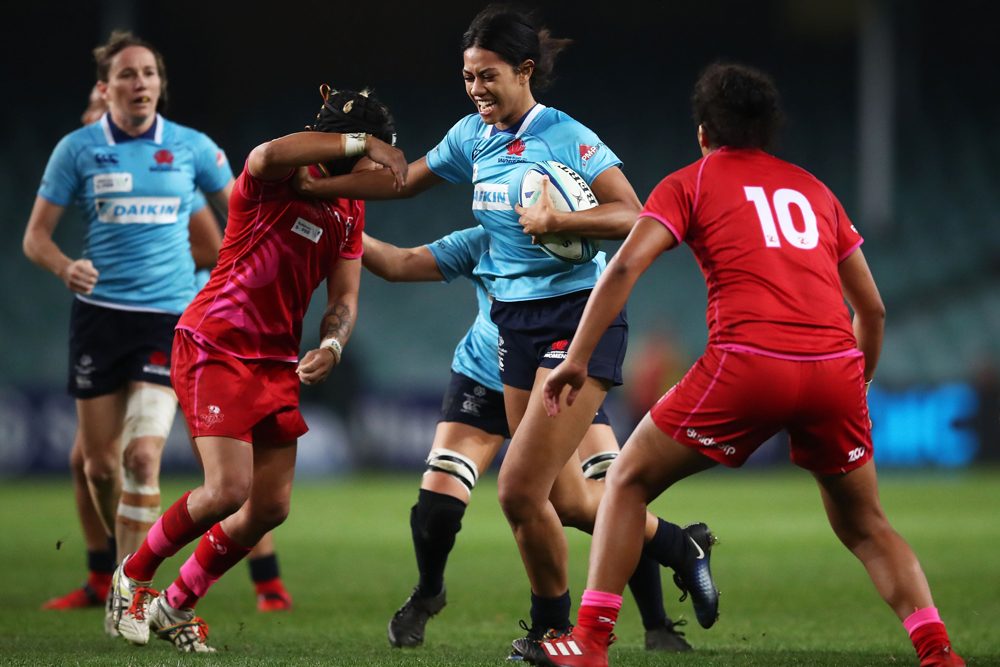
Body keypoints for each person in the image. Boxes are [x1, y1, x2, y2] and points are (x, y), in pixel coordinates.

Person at [291, 6, 718, 654]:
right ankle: (672, 545)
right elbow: (403, 182)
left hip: (577, 314)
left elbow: (636, 212)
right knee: (560, 496)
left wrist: (559, 224)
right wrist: (319, 189)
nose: (476, 89)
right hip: (512, 327)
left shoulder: (567, 136)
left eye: (488, 76)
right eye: (467, 77)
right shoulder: (472, 136)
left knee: (521, 489)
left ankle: (556, 630)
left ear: (524, 70)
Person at [517, 63, 965, 667]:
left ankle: (590, 644)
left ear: (704, 132)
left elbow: (623, 267)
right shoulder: (814, 189)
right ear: (768, 131)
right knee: (866, 526)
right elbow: (874, 311)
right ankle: (937, 652)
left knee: (625, 480)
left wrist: (575, 358)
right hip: (835, 365)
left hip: (750, 362)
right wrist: (857, 383)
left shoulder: (690, 182)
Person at [107, 86, 407, 652]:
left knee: (269, 506)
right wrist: (364, 140)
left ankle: (177, 605)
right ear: (353, 147)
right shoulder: (278, 174)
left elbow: (344, 297)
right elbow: (265, 156)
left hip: (274, 360)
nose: (376, 162)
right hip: (216, 342)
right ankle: (133, 576)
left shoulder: (348, 207)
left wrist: (333, 345)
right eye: (371, 152)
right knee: (228, 490)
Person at [360, 227, 691, 652]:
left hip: (556, 378)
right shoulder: (485, 238)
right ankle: (428, 592)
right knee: (438, 508)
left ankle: (656, 622)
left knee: (611, 493)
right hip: (484, 375)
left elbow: (619, 265)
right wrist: (347, 225)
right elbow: (397, 262)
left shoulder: (573, 240)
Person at [23, 31, 234, 631]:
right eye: (127, 74)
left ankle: (127, 591)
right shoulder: (79, 149)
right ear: (105, 87)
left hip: (168, 319)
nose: (140, 83)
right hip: (98, 319)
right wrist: (66, 266)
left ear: (160, 84)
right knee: (96, 467)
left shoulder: (192, 148)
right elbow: (35, 237)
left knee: (144, 457)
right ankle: (121, 581)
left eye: (148, 73)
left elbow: (239, 212)